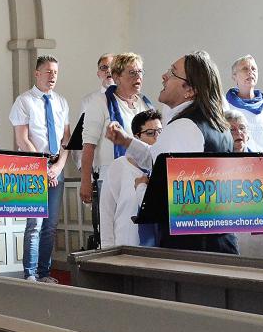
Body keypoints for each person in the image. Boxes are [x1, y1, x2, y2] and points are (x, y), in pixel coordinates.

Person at [105, 51, 238, 254]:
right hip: (218, 240)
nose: (164, 76)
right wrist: (126, 141)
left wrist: (141, 188)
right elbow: (157, 158)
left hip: (191, 248)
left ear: (190, 90)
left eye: (173, 72)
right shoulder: (215, 125)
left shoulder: (183, 126)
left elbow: (167, 199)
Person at [9, 55, 71, 282]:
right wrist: (43, 167)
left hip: (57, 166)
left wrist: (59, 166)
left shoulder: (61, 102)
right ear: (37, 74)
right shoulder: (24, 101)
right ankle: (30, 274)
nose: (52, 76)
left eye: (55, 72)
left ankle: (45, 273)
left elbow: (67, 139)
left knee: (51, 225)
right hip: (34, 167)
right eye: (47, 71)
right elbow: (23, 139)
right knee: (34, 224)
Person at [79, 52, 154, 205]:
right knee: (112, 226)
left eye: (140, 72)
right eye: (132, 72)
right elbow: (88, 145)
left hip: (143, 177)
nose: (138, 77)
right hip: (111, 177)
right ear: (117, 76)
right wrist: (86, 181)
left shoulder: (146, 104)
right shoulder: (100, 102)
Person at [225, 110, 263, 259]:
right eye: (232, 129)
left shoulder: (262, 162)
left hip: (262, 238)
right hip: (232, 236)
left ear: (248, 134)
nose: (238, 132)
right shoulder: (217, 165)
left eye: (242, 128)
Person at [99, 109, 162, 248]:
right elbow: (106, 212)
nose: (157, 138)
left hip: (158, 250)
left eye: (160, 132)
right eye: (150, 133)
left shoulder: (164, 168)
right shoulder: (119, 166)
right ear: (136, 138)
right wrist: (107, 249)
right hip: (125, 246)